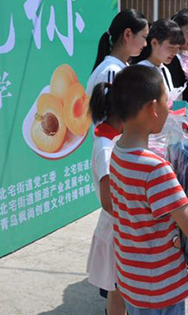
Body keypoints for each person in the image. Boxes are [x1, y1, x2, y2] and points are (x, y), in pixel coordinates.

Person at [108, 65, 188, 314]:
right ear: (153, 108)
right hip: (160, 285)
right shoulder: (155, 169)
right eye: (165, 101)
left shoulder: (117, 152)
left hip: (131, 276)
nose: (169, 108)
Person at [85, 83, 125, 315]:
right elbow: (109, 202)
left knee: (119, 290)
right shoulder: (106, 149)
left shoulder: (113, 137)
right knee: (118, 290)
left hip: (119, 230)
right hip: (117, 233)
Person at [87, 9, 149, 96]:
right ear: (127, 34)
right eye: (144, 37)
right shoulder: (112, 71)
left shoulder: (119, 68)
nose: (145, 44)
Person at [134, 19, 184, 100]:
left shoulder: (165, 70)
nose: (174, 52)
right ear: (154, 43)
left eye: (177, 48)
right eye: (171, 47)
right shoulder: (140, 71)